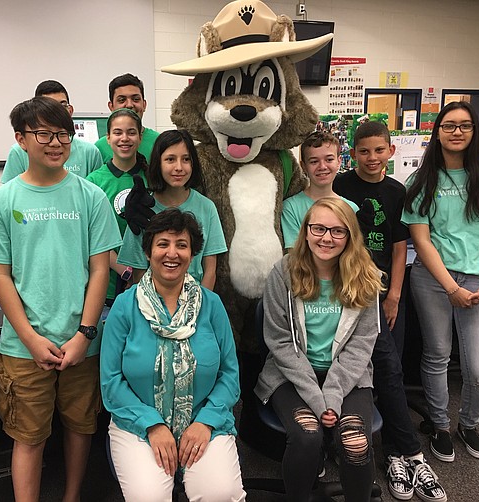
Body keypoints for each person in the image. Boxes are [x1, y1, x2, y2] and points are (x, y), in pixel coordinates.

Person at [0, 97, 122, 502]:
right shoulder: (3, 201)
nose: (56, 142)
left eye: (63, 134)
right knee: (28, 436)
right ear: (21, 139)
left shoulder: (91, 196)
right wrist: (29, 337)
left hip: (81, 342)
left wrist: (85, 334)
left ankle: (71, 496)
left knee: (80, 429)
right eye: (44, 133)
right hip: (23, 347)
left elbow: (99, 269)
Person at [101, 208, 246, 502]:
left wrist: (205, 422)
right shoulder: (124, 307)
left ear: (192, 254)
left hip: (204, 423)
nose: (172, 253)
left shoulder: (212, 305)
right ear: (148, 251)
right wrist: (152, 425)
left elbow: (230, 374)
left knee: (221, 494)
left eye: (182, 245)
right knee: (149, 497)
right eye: (163, 243)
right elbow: (111, 382)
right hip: (140, 426)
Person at [334, 121, 446, 501]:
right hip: (345, 290)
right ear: (353, 153)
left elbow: (400, 247)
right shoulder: (340, 186)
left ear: (390, 152)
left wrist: (394, 294)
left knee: (389, 369)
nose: (371, 158)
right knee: (361, 368)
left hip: (380, 293)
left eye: (379, 150)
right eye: (363, 151)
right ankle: (371, 446)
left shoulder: (397, 191)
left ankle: (401, 451)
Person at [255, 198, 381, 502]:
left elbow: (361, 345)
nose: (326, 238)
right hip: (291, 374)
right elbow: (279, 341)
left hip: (348, 376)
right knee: (307, 435)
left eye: (338, 231)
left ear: (350, 236)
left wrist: (333, 397)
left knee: (355, 443)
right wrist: (316, 397)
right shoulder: (283, 272)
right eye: (319, 228)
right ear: (306, 231)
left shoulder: (366, 276)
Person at [403, 101, 479, 463]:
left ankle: (470, 424)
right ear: (438, 132)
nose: (457, 131)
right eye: (449, 125)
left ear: (474, 132)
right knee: (437, 355)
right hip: (433, 281)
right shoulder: (421, 180)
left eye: (464, 125)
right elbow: (421, 239)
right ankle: (441, 425)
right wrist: (450, 287)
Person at [117, 129, 227, 290]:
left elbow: (210, 271)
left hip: (195, 302)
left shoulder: (207, 207)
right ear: (158, 163)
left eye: (186, 159)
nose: (179, 167)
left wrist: (200, 307)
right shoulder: (142, 208)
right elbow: (138, 272)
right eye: (170, 159)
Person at [87, 108, 148, 306]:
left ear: (140, 137)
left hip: (151, 276)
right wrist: (123, 270)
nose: (125, 138)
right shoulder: (93, 182)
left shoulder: (154, 178)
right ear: (108, 137)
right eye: (118, 132)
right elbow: (91, 236)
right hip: (108, 280)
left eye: (131, 132)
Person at [0, 80, 102, 183]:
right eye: (48, 107)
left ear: (70, 110)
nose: (56, 113)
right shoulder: (18, 151)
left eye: (62, 106)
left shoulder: (90, 152)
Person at [281, 131, 359, 249]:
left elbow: (354, 252)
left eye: (329, 160)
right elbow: (294, 255)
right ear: (303, 166)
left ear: (339, 162)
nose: (322, 167)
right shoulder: (290, 207)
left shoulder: (351, 208)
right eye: (314, 161)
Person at [94, 73, 160, 163]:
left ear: (144, 105)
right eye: (122, 100)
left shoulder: (159, 142)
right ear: (111, 106)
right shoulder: (99, 148)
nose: (129, 105)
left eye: (135, 99)